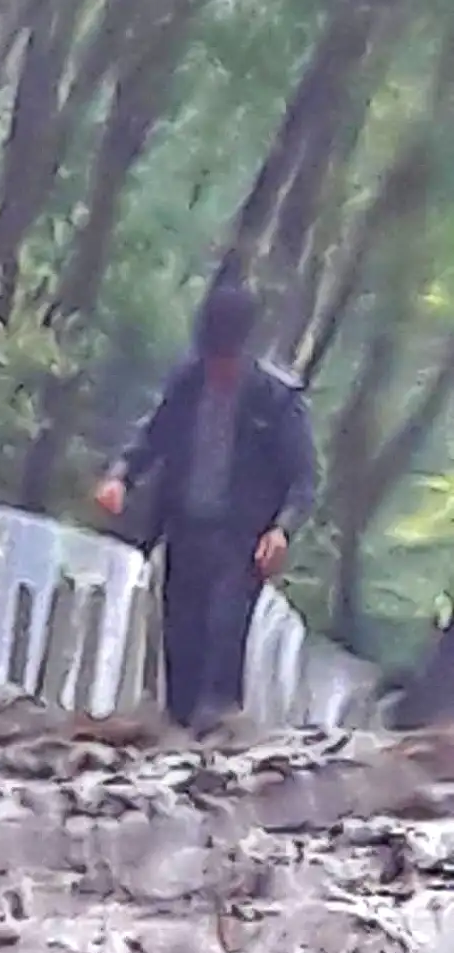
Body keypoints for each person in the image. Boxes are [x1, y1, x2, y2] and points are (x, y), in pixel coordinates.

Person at [92, 282, 319, 732]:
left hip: (242, 541)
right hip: (185, 529)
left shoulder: (277, 400)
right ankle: (175, 731)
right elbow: (151, 438)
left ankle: (216, 737)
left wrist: (282, 529)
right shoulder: (187, 384)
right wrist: (120, 476)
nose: (219, 370)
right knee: (180, 636)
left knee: (224, 631)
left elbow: (304, 477)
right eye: (213, 359)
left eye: (227, 360)